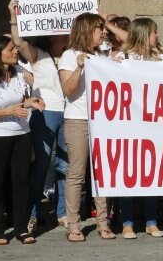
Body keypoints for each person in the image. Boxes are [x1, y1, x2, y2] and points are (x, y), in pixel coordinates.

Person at [8, 0, 69, 233]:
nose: (66, 32)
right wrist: (14, 16)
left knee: (65, 165)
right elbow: (19, 41)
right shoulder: (39, 54)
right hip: (46, 113)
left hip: (69, 113)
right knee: (42, 164)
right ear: (52, 35)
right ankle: (32, 213)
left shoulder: (70, 55)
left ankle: (63, 212)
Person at [58, 13, 115, 242]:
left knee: (103, 173)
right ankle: (74, 225)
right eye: (99, 28)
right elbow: (68, 90)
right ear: (86, 30)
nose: (103, 32)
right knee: (77, 174)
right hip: (78, 120)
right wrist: (79, 68)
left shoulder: (103, 55)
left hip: (102, 120)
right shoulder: (69, 56)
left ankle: (103, 223)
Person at [115, 18, 163, 239]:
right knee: (129, 173)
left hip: (154, 125)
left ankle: (151, 221)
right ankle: (127, 222)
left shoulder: (160, 59)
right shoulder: (121, 59)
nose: (158, 37)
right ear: (145, 34)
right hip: (128, 125)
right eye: (155, 32)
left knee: (152, 174)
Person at [0, 35, 45, 245]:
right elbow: (8, 107)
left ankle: (20, 227)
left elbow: (20, 102)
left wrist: (30, 102)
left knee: (20, 182)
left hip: (21, 134)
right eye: (11, 49)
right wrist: (8, 110)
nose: (15, 51)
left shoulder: (17, 73)